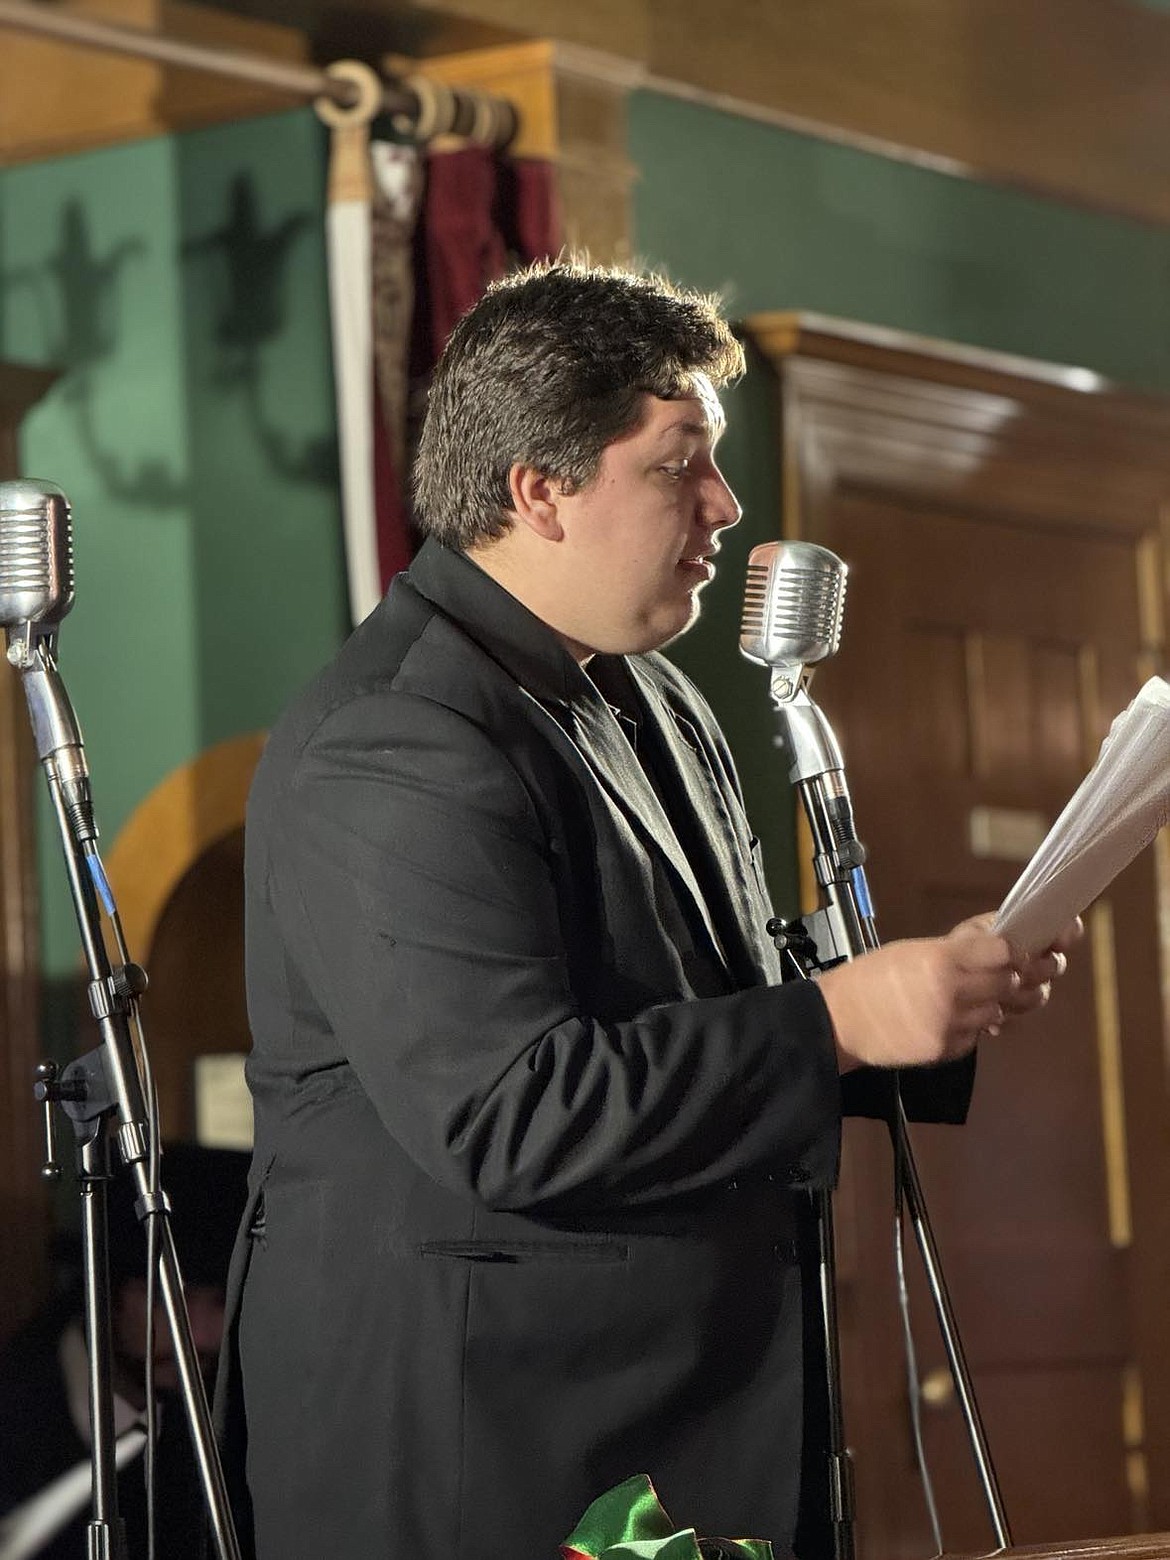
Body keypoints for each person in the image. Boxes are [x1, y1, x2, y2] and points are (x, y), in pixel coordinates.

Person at [219, 259, 1076, 1560]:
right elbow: (509, 1111)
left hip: (673, 1421)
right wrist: (837, 1023)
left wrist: (924, 1002)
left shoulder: (651, 695)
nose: (726, 508)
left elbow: (712, 993)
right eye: (682, 464)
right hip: (491, 1451)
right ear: (538, 488)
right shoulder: (397, 734)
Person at [0, 1142, 248, 1560]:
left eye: (222, 1302)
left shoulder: (236, 1414)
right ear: (107, 1290)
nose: (203, 1337)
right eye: (173, 1300)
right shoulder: (17, 1406)